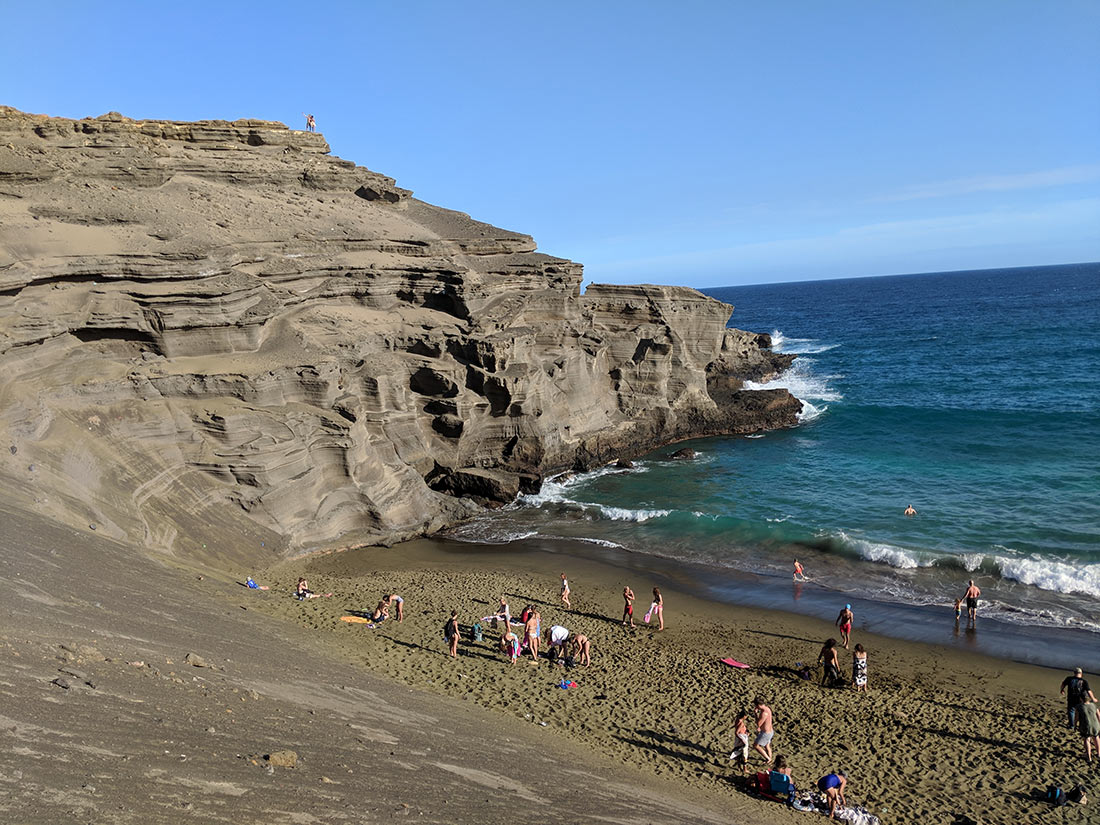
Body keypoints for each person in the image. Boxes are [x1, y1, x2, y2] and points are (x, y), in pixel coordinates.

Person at [1077, 696, 1100, 763]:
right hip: (1095, 725)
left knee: (1087, 740)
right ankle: (1099, 754)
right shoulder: (1094, 705)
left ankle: (1089, 757)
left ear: (1081, 698)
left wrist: (1075, 724)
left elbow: (1076, 717)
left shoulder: (1079, 707)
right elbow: (1099, 716)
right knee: (1096, 738)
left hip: (1086, 725)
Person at [752, 696, 774, 764]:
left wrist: (755, 713)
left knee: (756, 745)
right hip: (770, 731)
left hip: (766, 733)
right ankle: (770, 759)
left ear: (758, 705)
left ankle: (768, 758)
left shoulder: (764, 713)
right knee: (767, 746)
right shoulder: (768, 708)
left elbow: (758, 723)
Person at [730, 710, 751, 775]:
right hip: (741, 738)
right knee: (745, 754)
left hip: (739, 738)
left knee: (739, 753)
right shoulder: (741, 723)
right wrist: (743, 740)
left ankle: (739, 767)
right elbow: (737, 732)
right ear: (744, 716)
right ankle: (745, 769)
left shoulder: (737, 719)